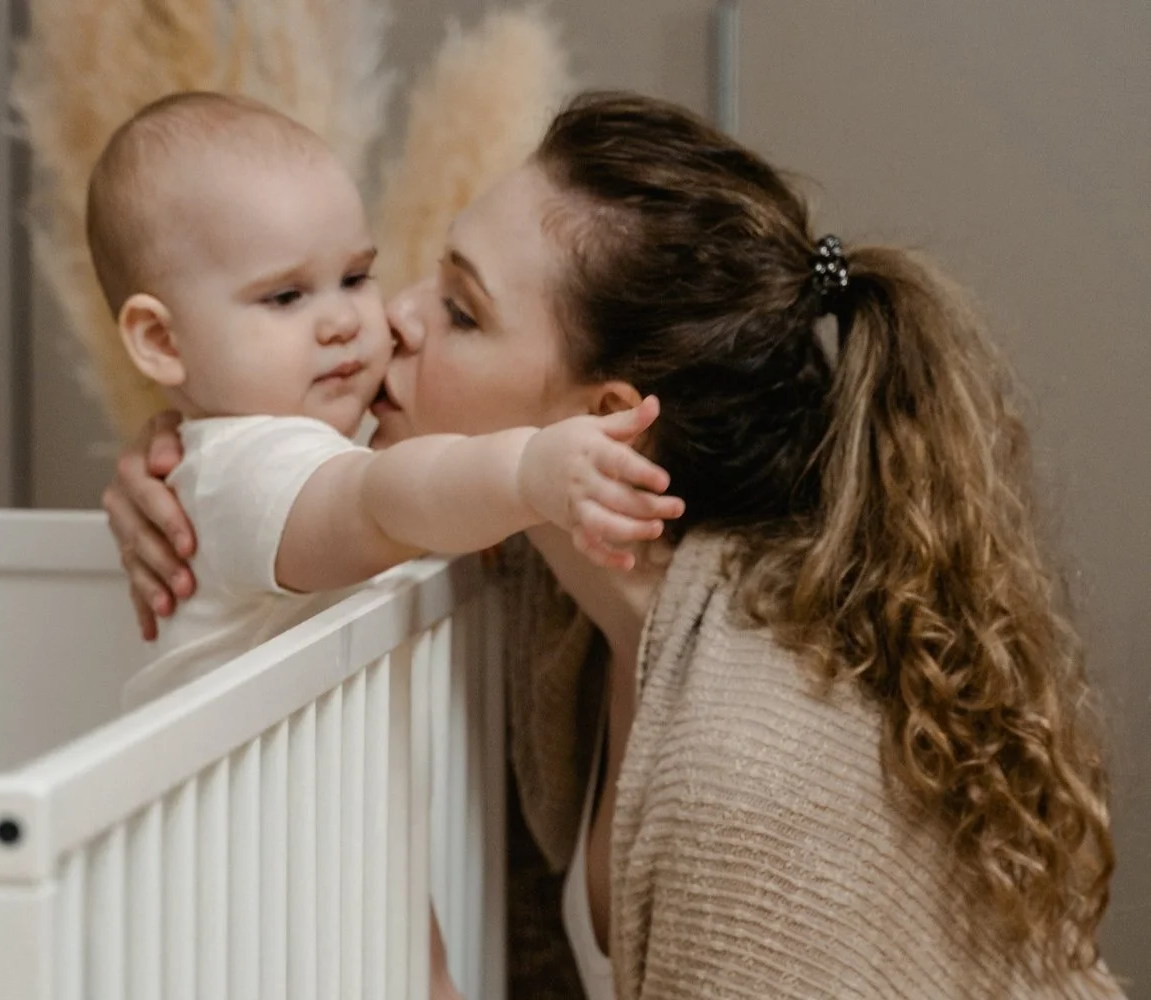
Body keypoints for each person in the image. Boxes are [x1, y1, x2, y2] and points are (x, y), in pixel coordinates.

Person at [104, 91, 1123, 998]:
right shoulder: (556, 589)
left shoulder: (750, 764)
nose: (391, 320)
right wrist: (193, 440)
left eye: (460, 310)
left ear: (605, 423)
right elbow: (346, 494)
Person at [87, 92, 682, 705]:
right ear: (161, 340)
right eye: (286, 297)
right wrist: (525, 471)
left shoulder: (325, 444)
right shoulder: (240, 473)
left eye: (353, 278)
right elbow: (378, 499)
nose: (347, 320)